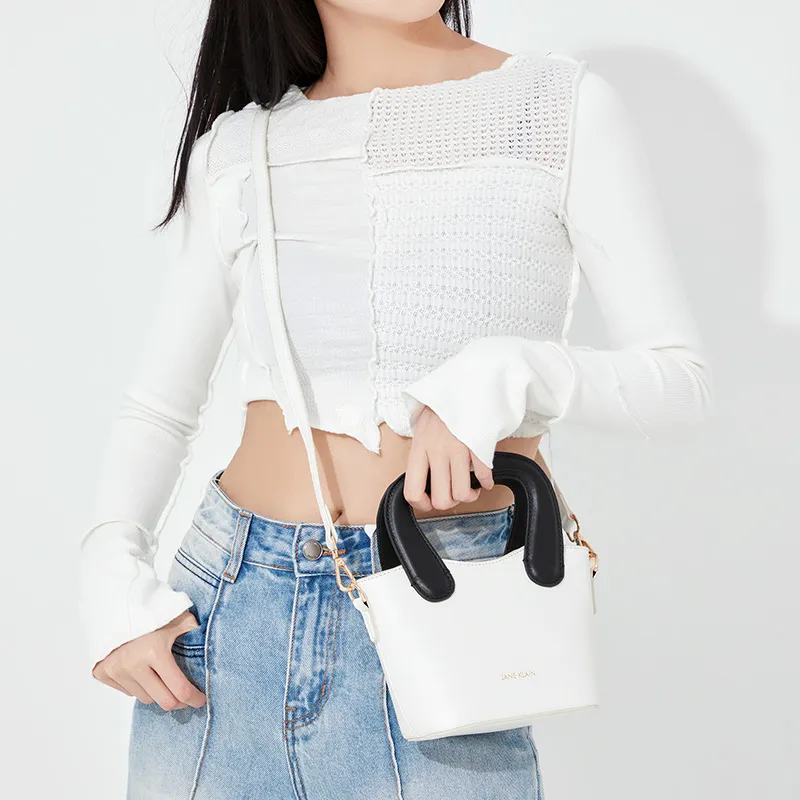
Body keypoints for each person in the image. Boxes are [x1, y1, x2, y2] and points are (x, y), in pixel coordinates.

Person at [78, 1, 713, 798]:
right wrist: (109, 575)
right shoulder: (241, 147)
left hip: (448, 606)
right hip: (231, 615)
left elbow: (678, 383)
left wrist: (504, 372)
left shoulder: (554, 107)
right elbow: (161, 406)